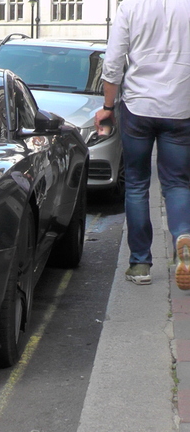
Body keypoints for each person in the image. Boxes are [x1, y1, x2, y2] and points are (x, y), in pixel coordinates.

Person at [95, 0, 190, 290]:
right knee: (177, 183)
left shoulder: (130, 6)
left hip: (138, 107)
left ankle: (139, 264)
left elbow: (113, 63)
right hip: (180, 107)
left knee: (136, 184)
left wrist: (107, 106)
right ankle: (183, 237)